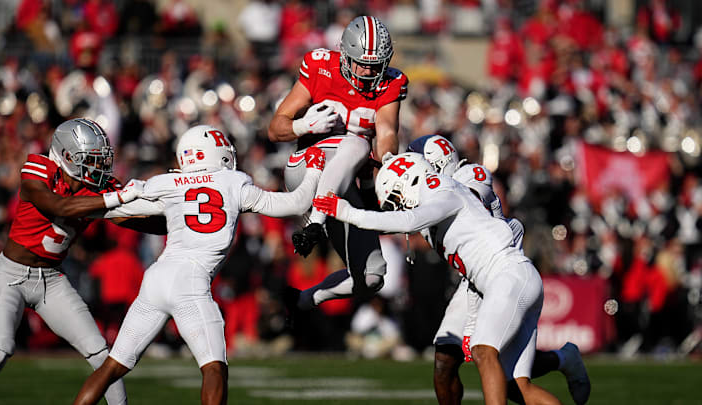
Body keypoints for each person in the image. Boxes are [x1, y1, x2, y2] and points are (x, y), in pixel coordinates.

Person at [73, 124, 326, 405]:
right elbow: (296, 203)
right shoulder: (234, 183)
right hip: (190, 283)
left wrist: (70, 204)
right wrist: (315, 169)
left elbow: (118, 210)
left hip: (156, 278)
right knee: (214, 368)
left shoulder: (167, 183)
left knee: (112, 366)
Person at [313, 152, 562, 405]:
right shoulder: (439, 210)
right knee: (519, 388)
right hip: (507, 279)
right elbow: (472, 278)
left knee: (484, 352)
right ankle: (565, 362)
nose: (399, 205)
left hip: (508, 276)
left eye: (396, 197)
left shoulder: (440, 188)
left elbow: (407, 220)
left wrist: (347, 212)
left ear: (408, 181)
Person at [410, 134, 591, 405]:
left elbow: (465, 202)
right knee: (446, 359)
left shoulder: (469, 176)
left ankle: (561, 358)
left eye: (417, 168)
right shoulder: (430, 196)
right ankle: (562, 358)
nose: (413, 176)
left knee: (506, 378)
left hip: (496, 272)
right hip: (471, 278)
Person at [0, 118, 146, 404]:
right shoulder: (38, 168)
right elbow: (57, 205)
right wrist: (115, 198)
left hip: (51, 280)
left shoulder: (98, 189)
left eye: (100, 160)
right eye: (90, 160)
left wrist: (177, 216)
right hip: (11, 275)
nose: (98, 168)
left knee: (102, 354)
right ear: (66, 155)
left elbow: (131, 219)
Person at [268, 15, 408, 311]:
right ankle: (315, 224)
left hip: (340, 187)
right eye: (362, 63)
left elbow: (386, 133)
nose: (369, 71)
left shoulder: (391, 83)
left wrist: (388, 163)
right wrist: (303, 126)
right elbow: (275, 128)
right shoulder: (320, 67)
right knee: (357, 141)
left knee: (372, 277)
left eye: (376, 63)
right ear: (344, 54)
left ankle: (305, 299)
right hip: (308, 168)